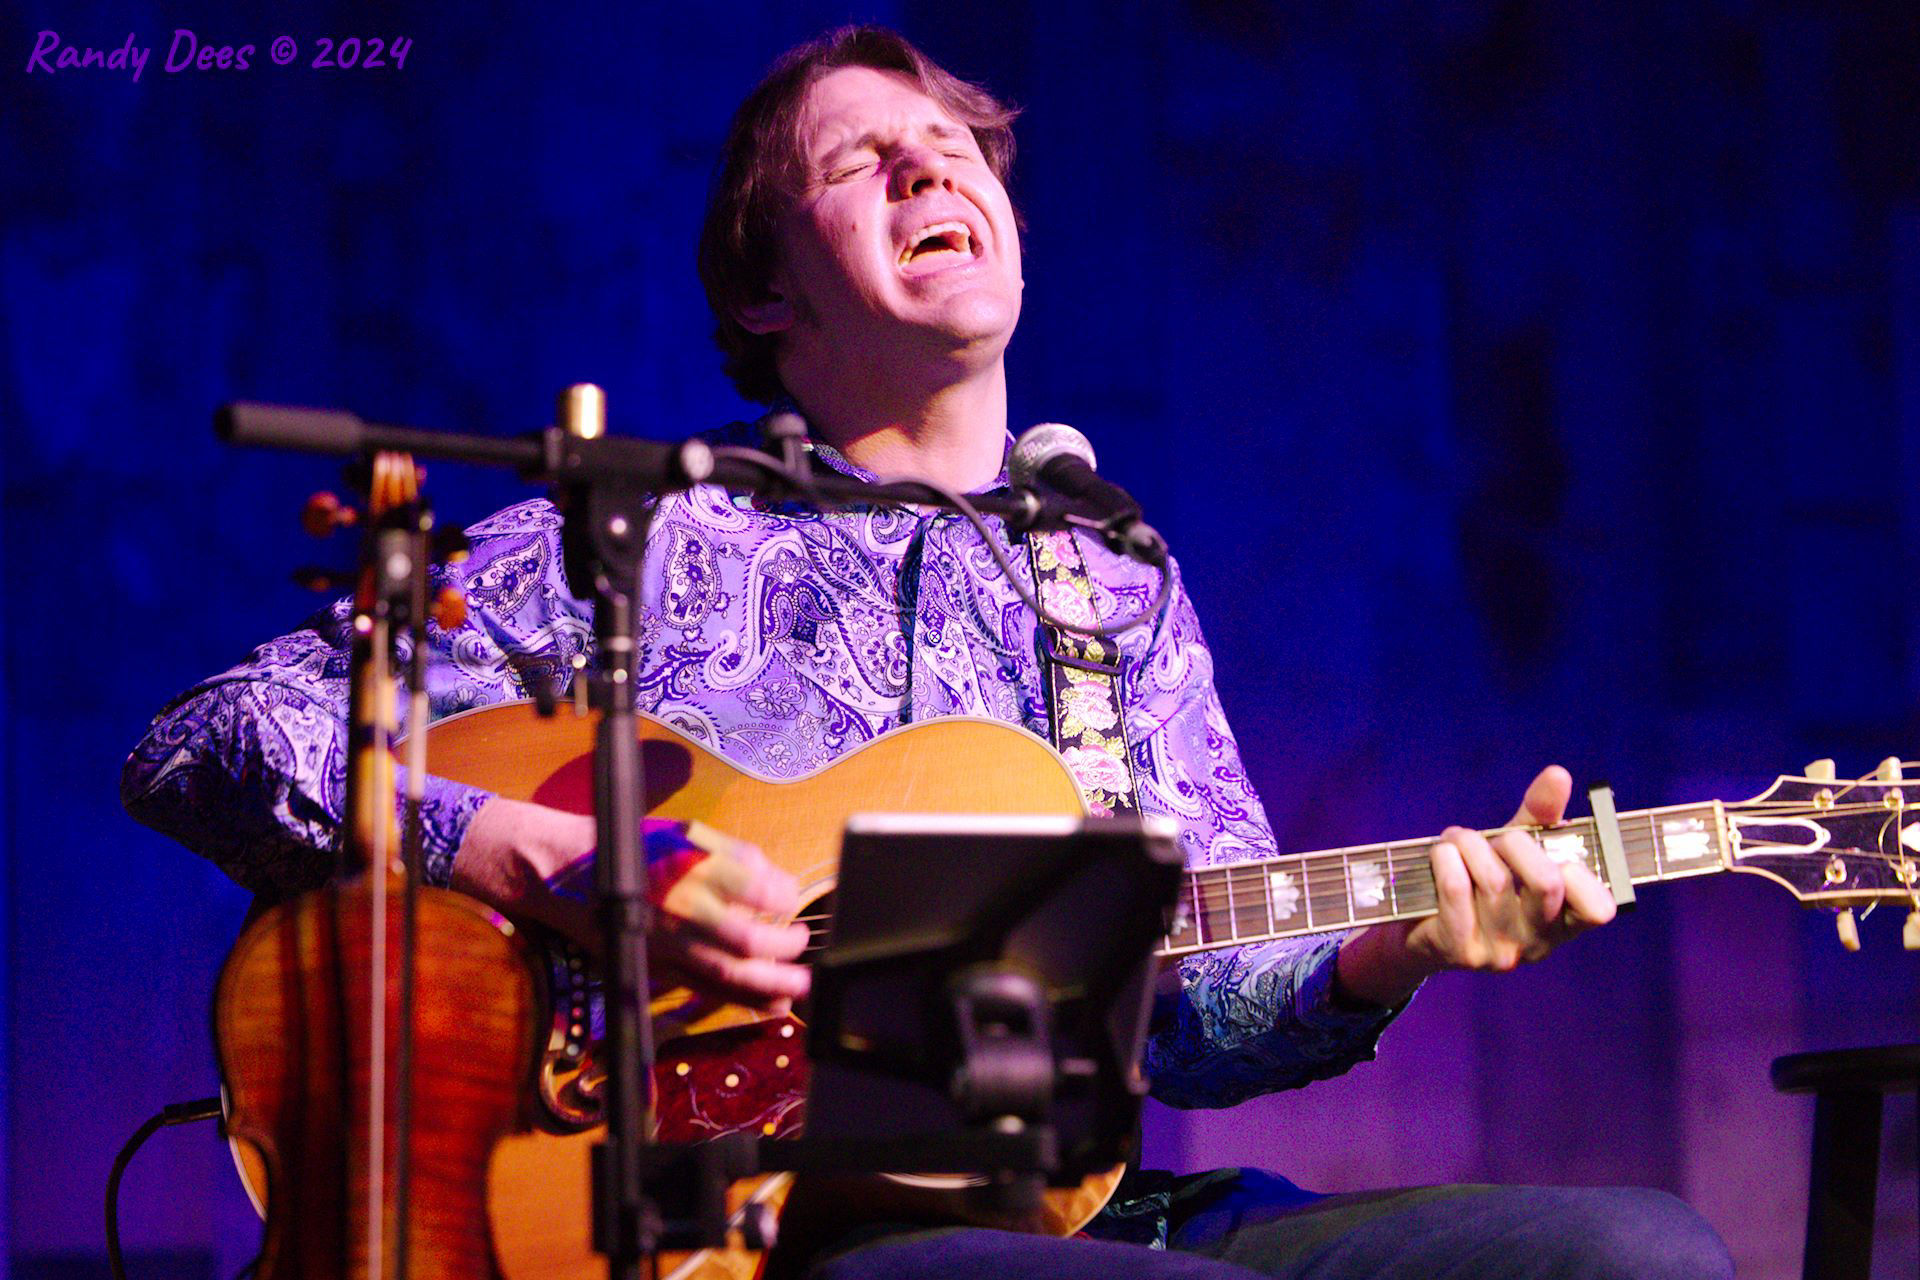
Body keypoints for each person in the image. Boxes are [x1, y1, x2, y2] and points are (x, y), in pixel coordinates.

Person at [124, 25, 1734, 1280]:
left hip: (1069, 1207)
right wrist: (541, 854)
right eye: (865, 163)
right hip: (753, 1221)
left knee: (1640, 1251)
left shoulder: (1113, 578)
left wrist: (1409, 947)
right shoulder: (651, 533)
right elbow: (215, 735)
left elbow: (1189, 1004)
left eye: (953, 149)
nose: (929, 174)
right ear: (766, 291)